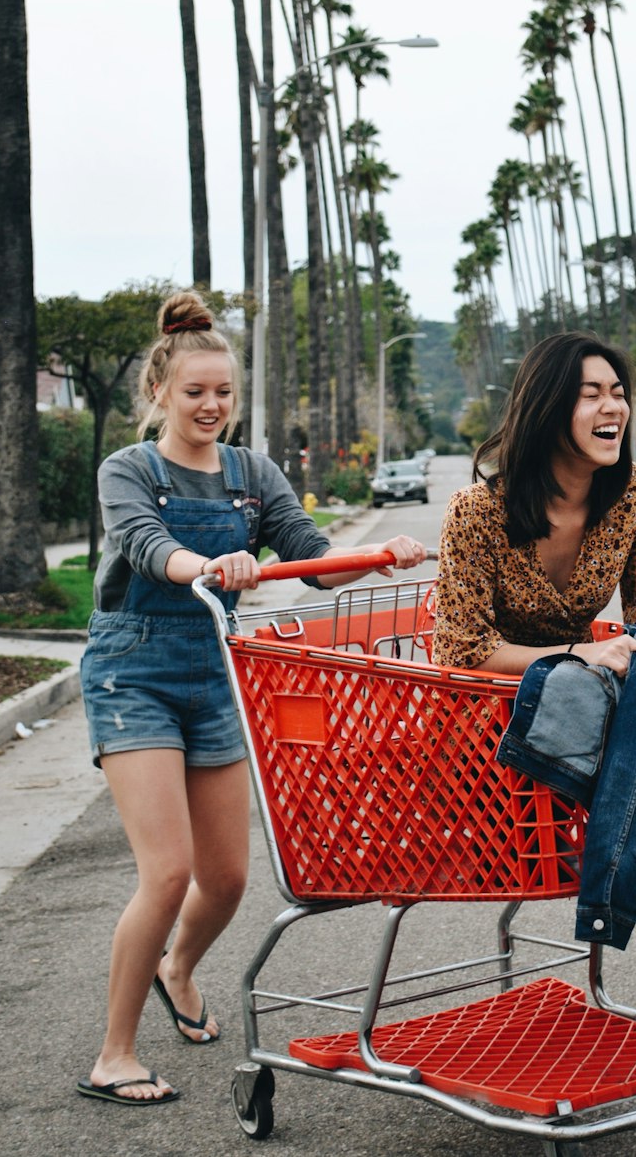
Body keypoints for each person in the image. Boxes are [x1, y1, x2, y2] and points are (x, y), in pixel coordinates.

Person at [77, 290, 427, 1107]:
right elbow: (146, 545)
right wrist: (205, 567)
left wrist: (378, 556)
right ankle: (113, 1054)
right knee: (167, 872)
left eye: (223, 393)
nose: (211, 406)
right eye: (195, 391)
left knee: (229, 877)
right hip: (132, 671)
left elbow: (308, 555)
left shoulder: (251, 474)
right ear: (160, 391)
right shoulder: (130, 470)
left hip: (217, 669)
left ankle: (179, 968)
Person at [432, 330, 636, 680]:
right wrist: (578, 653)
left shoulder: (631, 493)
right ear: (546, 411)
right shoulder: (475, 511)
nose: (613, 407)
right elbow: (462, 651)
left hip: (580, 701)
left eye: (618, 394)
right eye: (591, 395)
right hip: (487, 712)